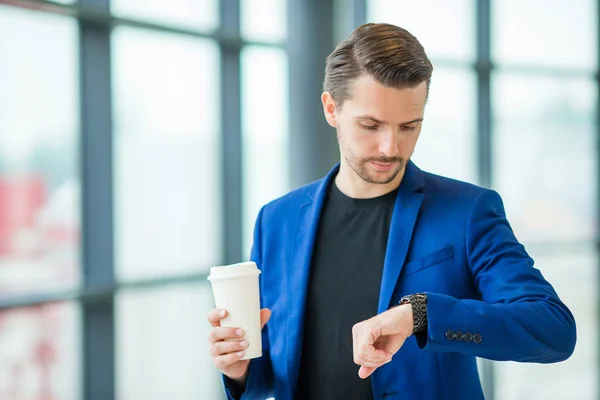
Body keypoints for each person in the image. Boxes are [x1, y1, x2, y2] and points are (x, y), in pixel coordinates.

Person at [206, 23, 576, 400]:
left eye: (409, 127)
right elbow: (276, 369)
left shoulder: (467, 213)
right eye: (371, 125)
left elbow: (553, 330)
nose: (390, 147)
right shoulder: (277, 221)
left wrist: (422, 315)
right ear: (331, 108)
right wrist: (240, 370)